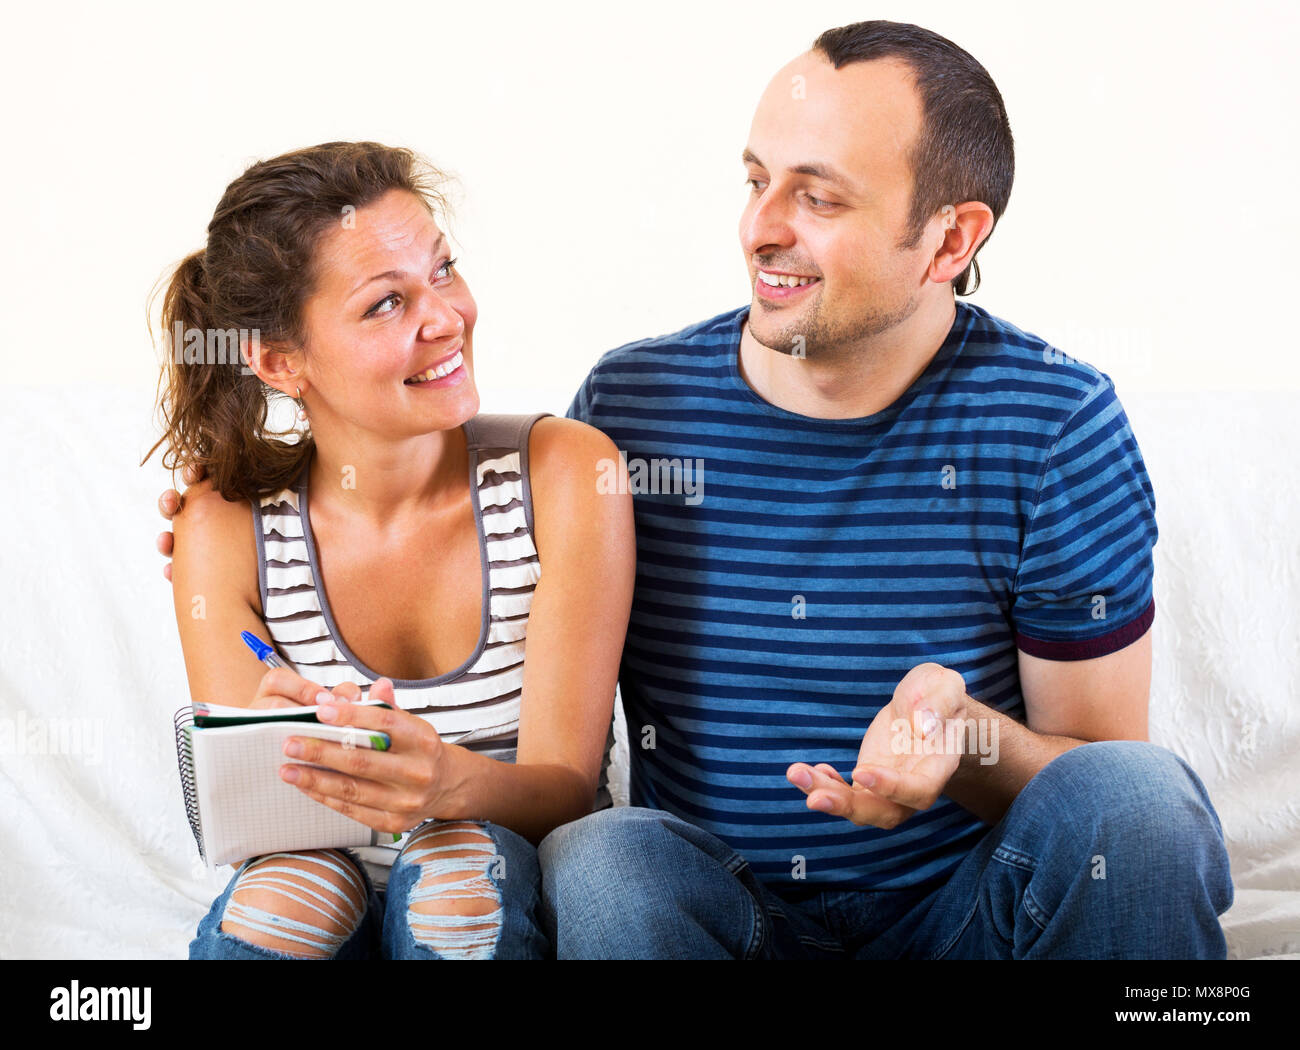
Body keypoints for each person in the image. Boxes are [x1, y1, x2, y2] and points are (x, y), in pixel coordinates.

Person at [157, 22, 1235, 960]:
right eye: (756, 178)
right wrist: (264, 494)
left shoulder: (1053, 422)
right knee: (603, 859)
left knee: (1137, 799)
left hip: (964, 923)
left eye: (817, 197)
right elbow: (472, 476)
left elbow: (1089, 787)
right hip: (723, 922)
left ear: (949, 239)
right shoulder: (632, 408)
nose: (760, 226)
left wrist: (970, 741)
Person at [146, 141, 635, 959]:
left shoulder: (567, 474)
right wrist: (282, 741)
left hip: (493, 875)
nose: (445, 319)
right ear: (279, 360)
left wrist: (445, 784)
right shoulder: (221, 521)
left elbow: (567, 795)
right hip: (322, 873)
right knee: (285, 899)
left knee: (452, 885)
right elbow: (261, 818)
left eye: (443, 271)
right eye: (385, 304)